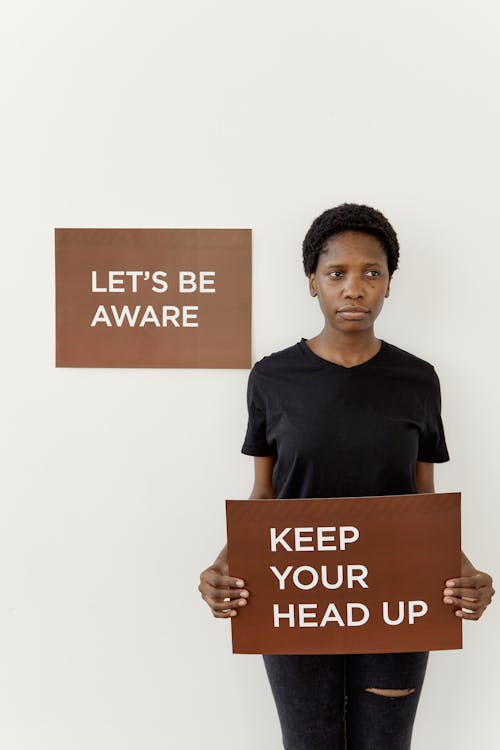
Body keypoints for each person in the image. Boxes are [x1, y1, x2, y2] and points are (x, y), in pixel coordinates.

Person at [198, 203, 495, 749]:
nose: (354, 289)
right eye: (337, 274)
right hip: (297, 600)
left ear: (388, 284)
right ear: (312, 282)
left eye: (372, 273)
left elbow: (420, 502)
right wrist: (222, 567)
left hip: (396, 603)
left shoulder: (417, 380)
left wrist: (468, 574)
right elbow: (266, 494)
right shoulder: (272, 378)